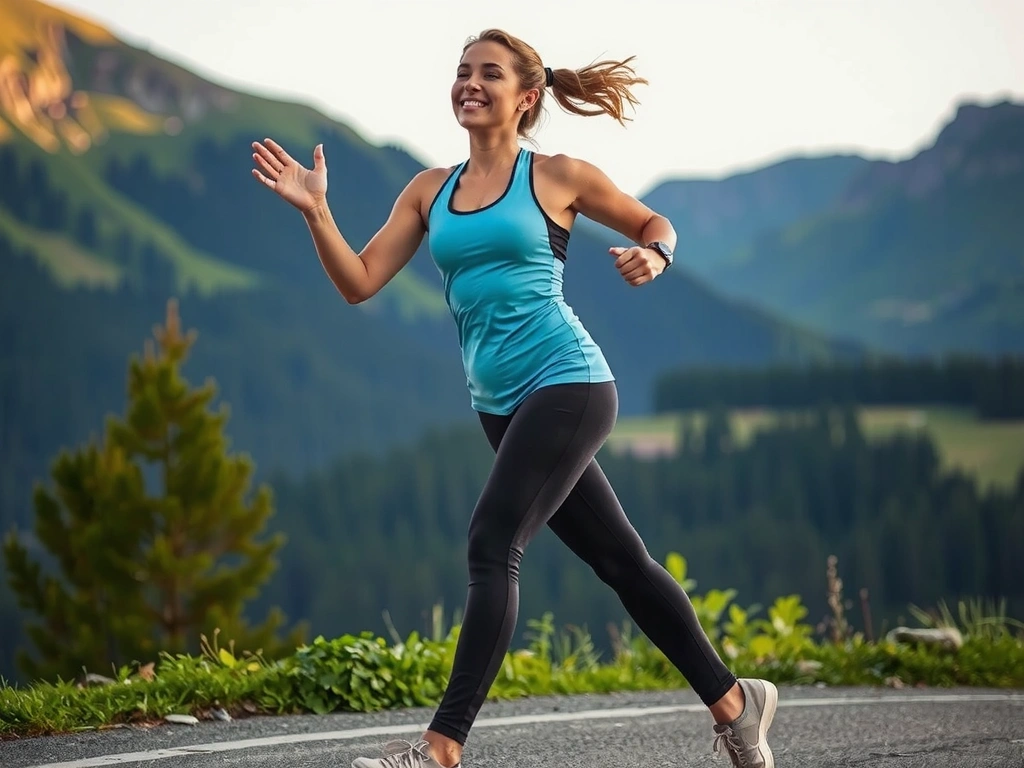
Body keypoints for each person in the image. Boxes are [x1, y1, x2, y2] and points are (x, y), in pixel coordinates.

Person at [251, 27, 778, 768]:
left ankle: (440, 748)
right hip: (500, 405)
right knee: (622, 562)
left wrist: (655, 255)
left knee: (491, 543)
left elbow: (654, 222)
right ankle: (736, 704)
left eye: (488, 74)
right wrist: (316, 212)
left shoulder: (557, 175)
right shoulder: (428, 190)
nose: (469, 83)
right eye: (462, 71)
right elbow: (359, 282)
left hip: (569, 382)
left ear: (526, 97)